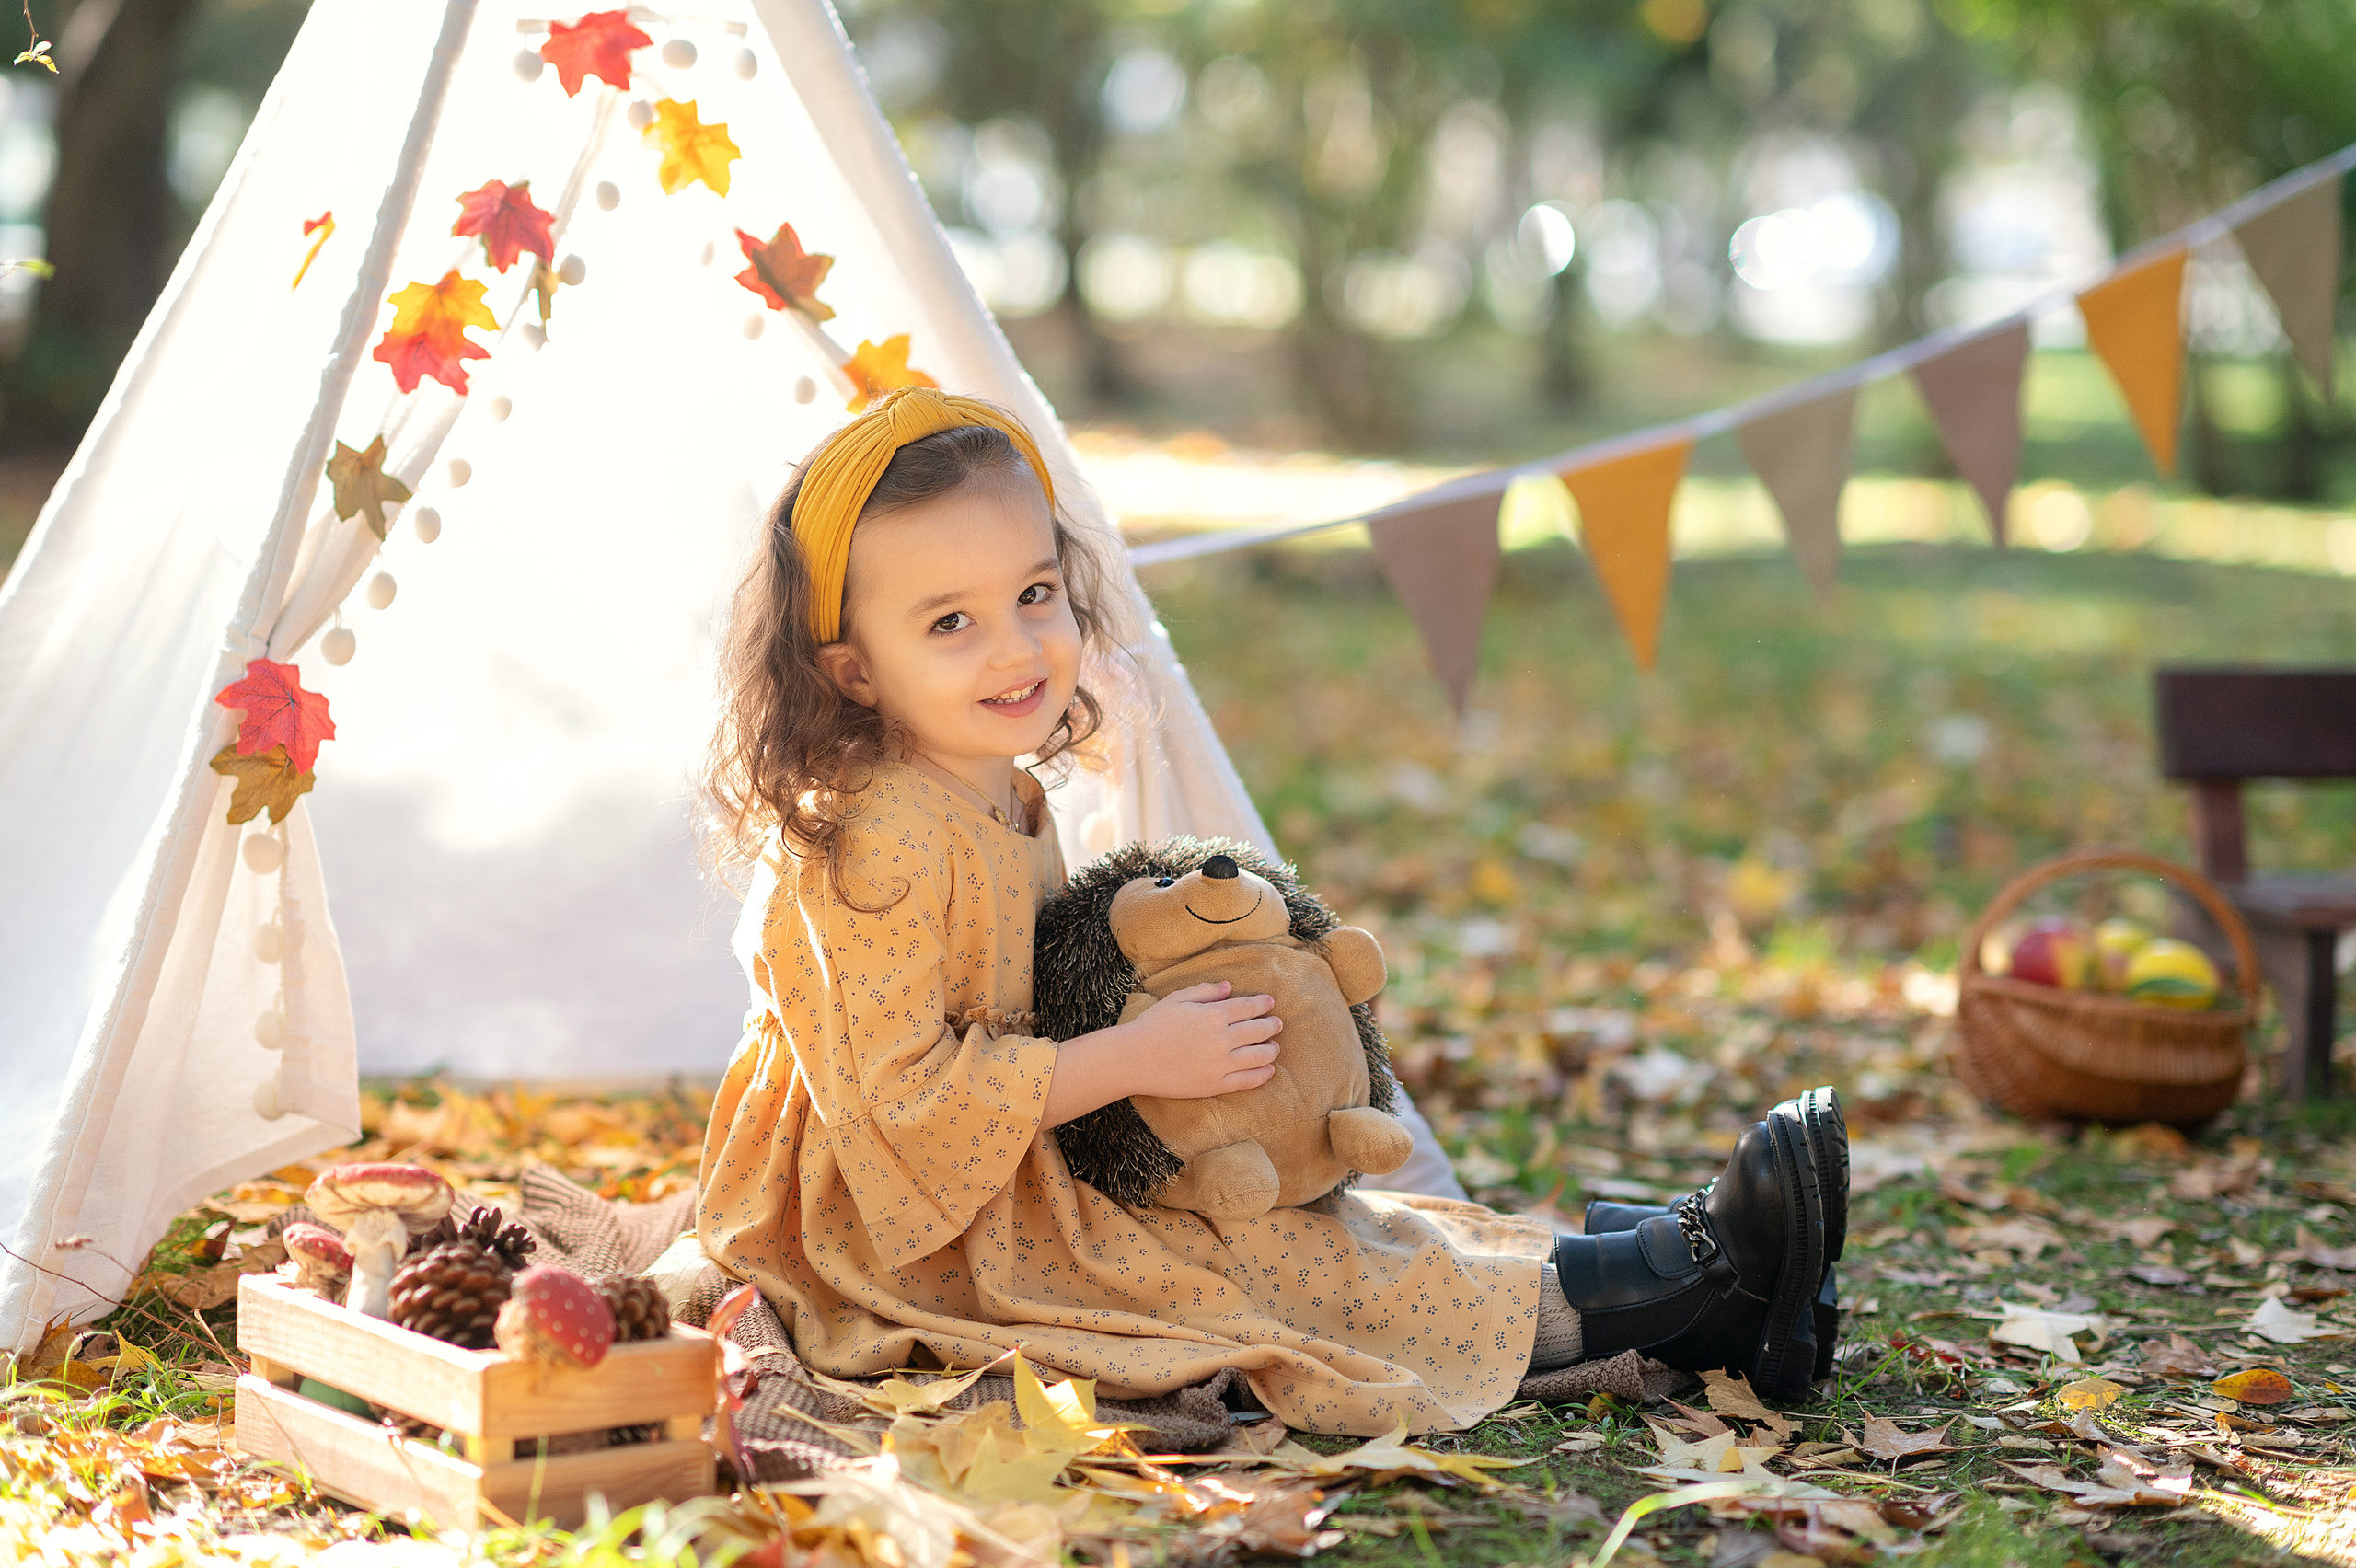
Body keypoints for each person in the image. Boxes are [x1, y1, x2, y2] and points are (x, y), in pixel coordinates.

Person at [695, 386, 1849, 1431]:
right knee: (1232, 1274)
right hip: (889, 1227)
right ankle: (1682, 1300)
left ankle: (1665, 1267)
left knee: (1293, 1230)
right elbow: (898, 1106)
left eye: (1035, 593)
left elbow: (1019, 983)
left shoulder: (989, 780)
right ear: (852, 671)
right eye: (951, 622)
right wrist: (1138, 1051)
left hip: (1003, 1161)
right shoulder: (876, 838)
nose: (1017, 646)